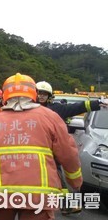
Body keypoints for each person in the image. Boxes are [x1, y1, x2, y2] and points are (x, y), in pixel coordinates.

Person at [0, 73, 83, 220]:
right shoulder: (50, 117)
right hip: (39, 195)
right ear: (33, 93)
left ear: (5, 95)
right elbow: (68, 153)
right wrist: (75, 181)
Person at [35, 80, 107, 215]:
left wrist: (96, 103)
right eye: (39, 93)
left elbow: (76, 107)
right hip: (30, 148)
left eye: (44, 94)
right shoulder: (28, 108)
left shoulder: (56, 109)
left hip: (48, 150)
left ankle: (67, 204)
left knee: (56, 175)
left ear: (49, 96)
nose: (41, 96)